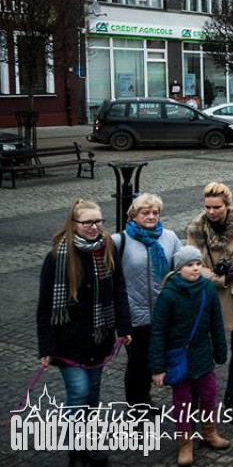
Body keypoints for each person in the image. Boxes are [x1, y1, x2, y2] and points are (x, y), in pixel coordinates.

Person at [36, 198, 132, 467]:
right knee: (78, 392)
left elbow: (119, 290)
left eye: (99, 221)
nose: (95, 227)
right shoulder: (57, 256)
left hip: (99, 338)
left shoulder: (107, 249)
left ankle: (88, 443)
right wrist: (46, 347)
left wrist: (124, 327)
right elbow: (45, 307)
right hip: (68, 341)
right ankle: (75, 451)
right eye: (88, 222)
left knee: (92, 396)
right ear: (74, 224)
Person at [186, 182, 233, 411]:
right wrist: (219, 278)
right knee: (207, 351)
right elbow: (191, 264)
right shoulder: (196, 228)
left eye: (216, 207)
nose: (211, 212)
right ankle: (204, 396)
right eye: (207, 207)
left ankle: (232, 395)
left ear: (227, 205)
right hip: (211, 296)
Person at [150, 246, 229, 466]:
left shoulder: (207, 288)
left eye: (198, 264)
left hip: (202, 354)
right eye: (189, 265)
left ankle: (209, 432)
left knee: (209, 393)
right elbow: (158, 331)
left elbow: (216, 322)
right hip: (178, 357)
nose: (195, 268)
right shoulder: (168, 294)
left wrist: (220, 351)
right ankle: (185, 443)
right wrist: (157, 367)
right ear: (178, 269)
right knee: (182, 401)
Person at [111, 193, 182, 409]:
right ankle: (136, 405)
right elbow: (110, 277)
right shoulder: (118, 240)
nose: (151, 216)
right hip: (133, 314)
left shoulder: (169, 237)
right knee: (137, 363)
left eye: (155, 212)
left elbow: (179, 269)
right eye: (146, 212)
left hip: (163, 313)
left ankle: (145, 397)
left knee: (156, 357)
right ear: (133, 215)